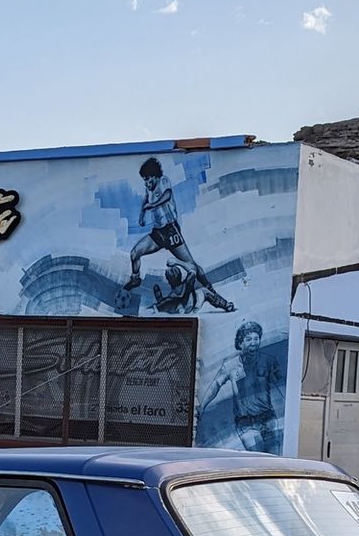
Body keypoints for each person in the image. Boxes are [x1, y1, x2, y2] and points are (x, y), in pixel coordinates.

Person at [120, 157, 234, 312]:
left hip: (171, 230)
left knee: (192, 265)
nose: (146, 183)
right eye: (144, 180)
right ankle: (135, 279)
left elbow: (167, 195)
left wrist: (152, 205)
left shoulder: (163, 181)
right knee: (134, 253)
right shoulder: (149, 188)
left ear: (154, 176)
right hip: (158, 232)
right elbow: (146, 199)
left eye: (147, 179)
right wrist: (142, 214)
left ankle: (210, 289)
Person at [203, 321, 283, 453]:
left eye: (256, 338)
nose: (254, 342)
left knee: (273, 458)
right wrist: (201, 407)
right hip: (246, 422)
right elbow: (215, 385)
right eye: (249, 339)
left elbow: (280, 382)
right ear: (240, 343)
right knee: (256, 458)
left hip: (268, 418)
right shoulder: (230, 365)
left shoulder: (269, 361)